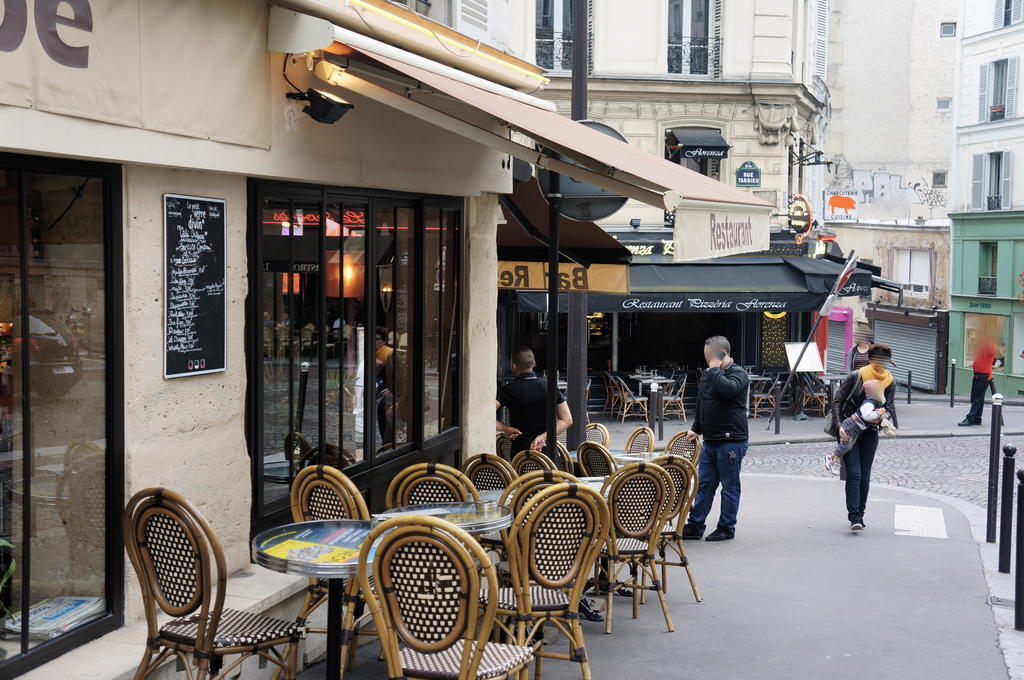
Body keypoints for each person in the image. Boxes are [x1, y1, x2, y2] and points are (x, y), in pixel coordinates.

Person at [681, 336, 750, 542]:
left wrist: (713, 370)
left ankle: (726, 527)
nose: (706, 361)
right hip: (710, 440)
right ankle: (695, 525)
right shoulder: (710, 373)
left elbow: (728, 390)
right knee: (704, 485)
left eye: (709, 357)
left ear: (722, 354)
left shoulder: (738, 373)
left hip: (731, 440)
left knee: (729, 488)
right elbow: (702, 401)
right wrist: (696, 428)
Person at [831, 344, 897, 530]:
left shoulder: (889, 381)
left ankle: (860, 513)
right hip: (850, 429)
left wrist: (882, 418)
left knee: (865, 476)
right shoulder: (856, 376)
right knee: (855, 473)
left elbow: (890, 408)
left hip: (871, 432)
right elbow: (837, 401)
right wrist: (838, 426)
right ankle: (854, 516)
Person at [495, 346, 572, 453]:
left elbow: (486, 415)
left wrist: (504, 428)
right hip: (547, 452)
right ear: (534, 363)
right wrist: (542, 437)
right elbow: (567, 420)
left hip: (521, 454)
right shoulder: (550, 386)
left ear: (513, 366)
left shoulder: (508, 390)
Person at [824, 379, 886, 476]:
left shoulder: (874, 402)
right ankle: (835, 462)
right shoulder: (869, 403)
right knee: (845, 445)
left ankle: (830, 457)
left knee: (848, 446)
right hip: (851, 425)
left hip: (856, 428)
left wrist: (878, 417)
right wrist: (878, 413)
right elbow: (867, 416)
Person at [959, 334, 997, 427]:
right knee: (978, 398)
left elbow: (991, 351)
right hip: (979, 375)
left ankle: (970, 418)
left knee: (976, 398)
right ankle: (977, 418)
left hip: (983, 376)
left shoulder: (990, 345)